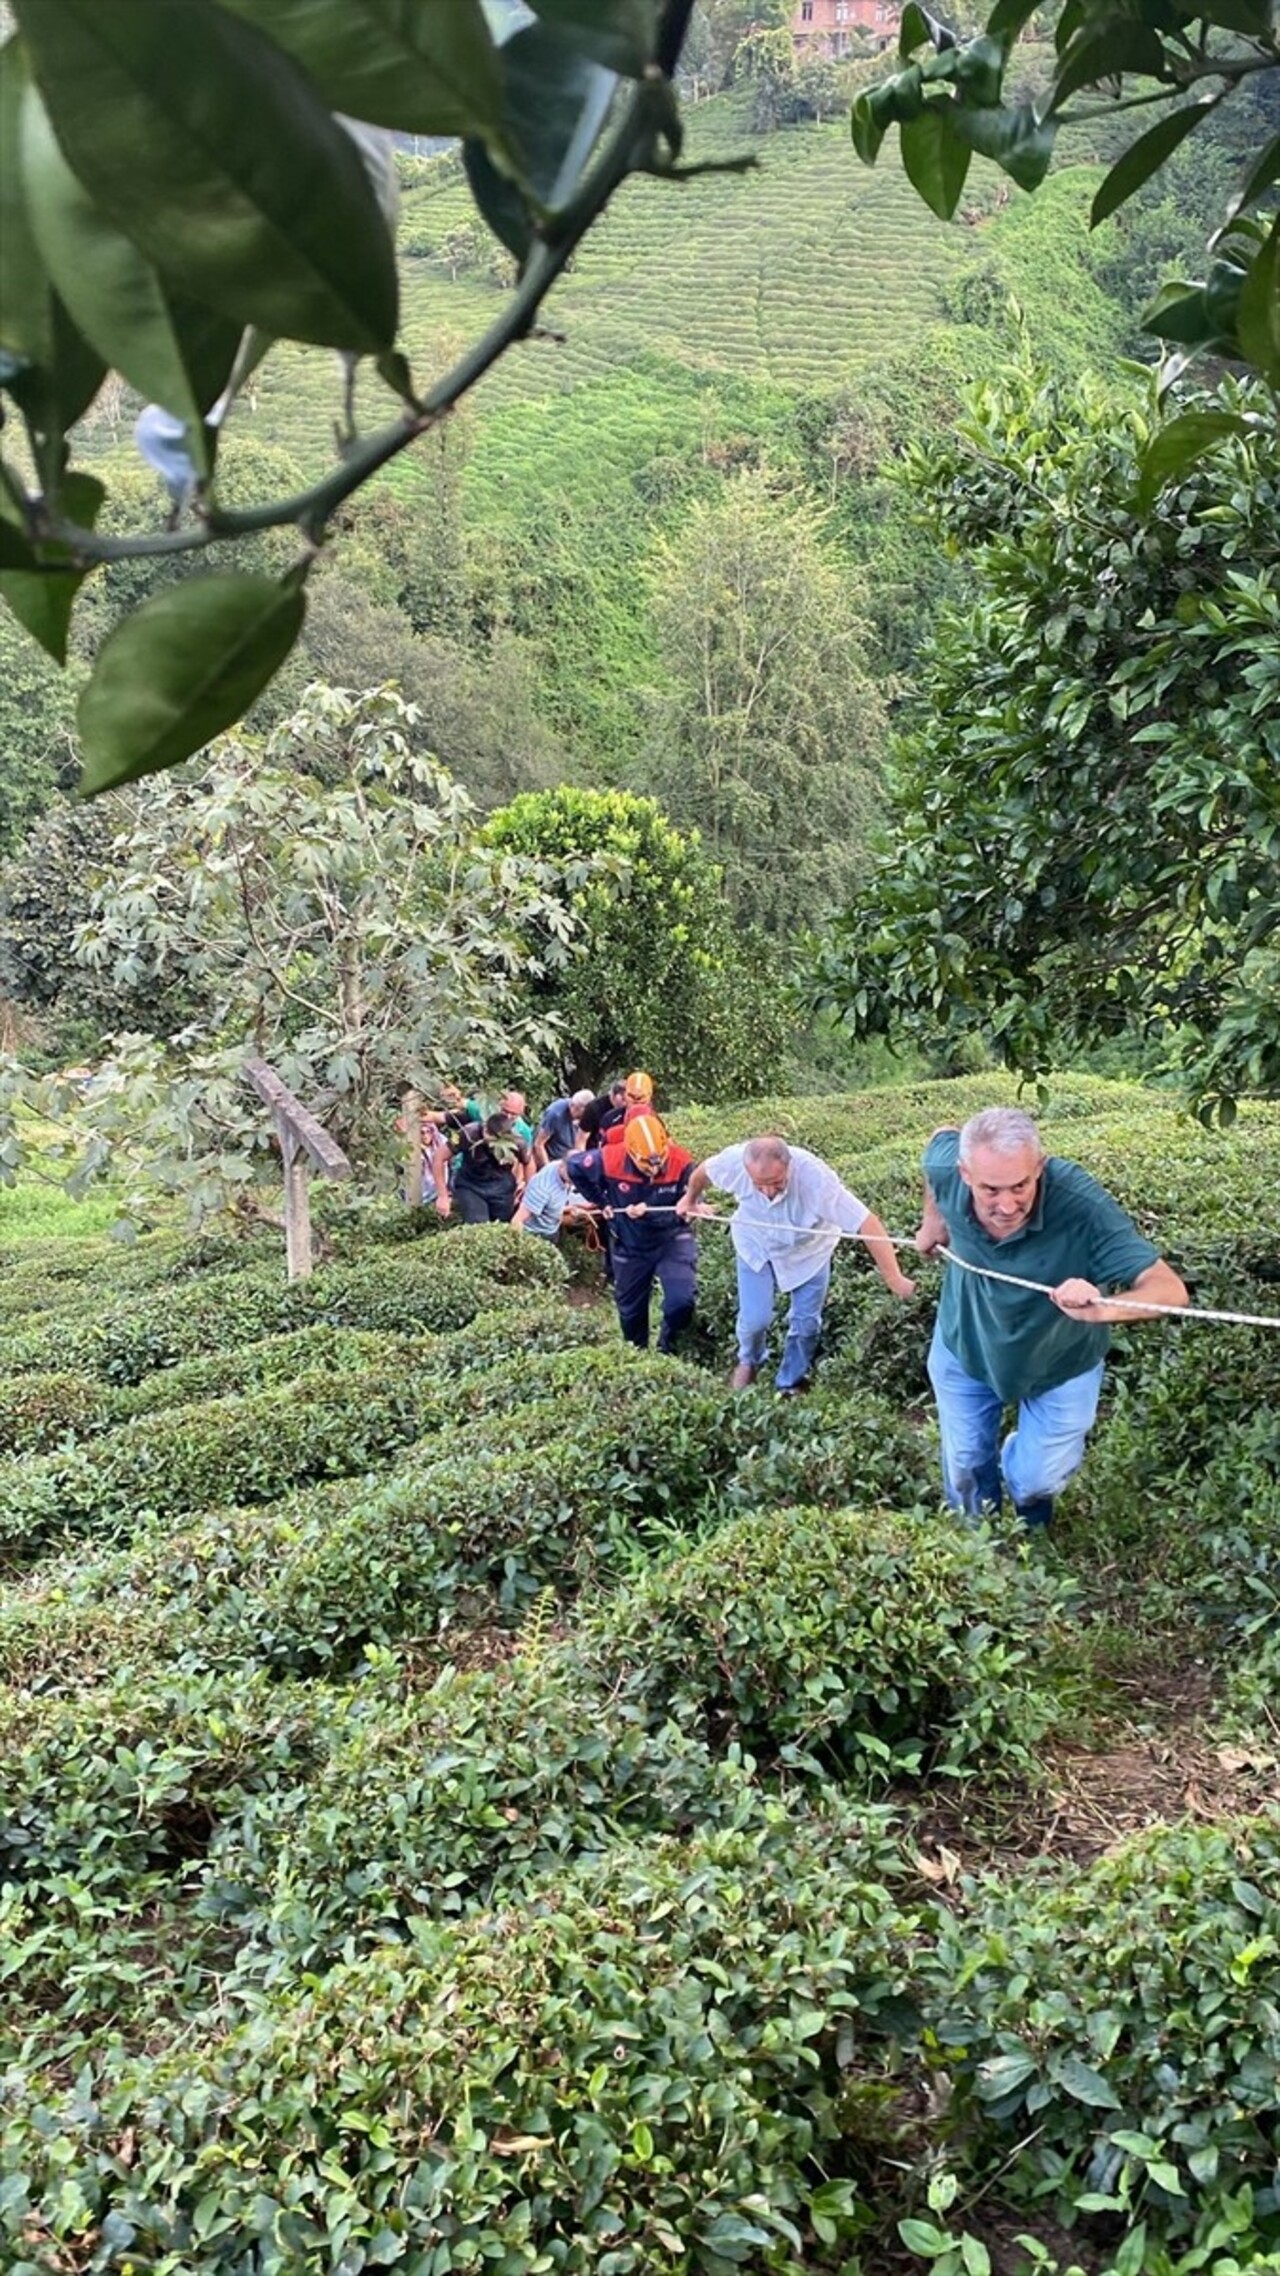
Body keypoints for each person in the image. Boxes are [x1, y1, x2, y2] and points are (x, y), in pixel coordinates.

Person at [916, 1105, 1189, 1529]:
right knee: (965, 1467)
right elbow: (939, 1138)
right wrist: (933, 1220)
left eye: (1021, 1185)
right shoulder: (948, 1171)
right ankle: (976, 1550)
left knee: (1036, 1480)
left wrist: (1103, 1307)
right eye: (990, 1190)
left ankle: (1031, 1529)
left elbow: (1169, 1289)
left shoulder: (1081, 1204)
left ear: (1039, 1167)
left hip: (1061, 1360)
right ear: (965, 1173)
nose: (1007, 1205)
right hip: (965, 1345)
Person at [677, 1135, 915, 1394]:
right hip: (756, 1244)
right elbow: (703, 1172)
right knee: (755, 1319)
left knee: (806, 1323)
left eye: (776, 1183)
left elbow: (867, 1223)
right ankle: (749, 1360)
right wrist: (691, 1199)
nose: (768, 1192)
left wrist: (895, 1279)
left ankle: (790, 1381)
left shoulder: (816, 1180)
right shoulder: (733, 1162)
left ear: (789, 1167)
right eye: (760, 1185)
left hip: (809, 1251)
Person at [567, 1111, 697, 1352]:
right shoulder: (609, 1159)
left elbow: (688, 1208)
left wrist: (651, 1211)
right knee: (630, 1311)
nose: (654, 1170)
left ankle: (667, 1346)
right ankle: (638, 1354)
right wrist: (601, 1201)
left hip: (672, 1239)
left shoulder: (682, 1163)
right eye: (647, 1164)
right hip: (630, 1243)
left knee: (681, 1302)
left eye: (658, 1162)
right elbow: (574, 1167)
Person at [432, 1110, 530, 1226]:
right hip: (471, 1185)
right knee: (478, 1224)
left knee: (502, 1227)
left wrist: (527, 1189)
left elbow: (528, 1162)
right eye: (487, 1133)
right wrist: (442, 1196)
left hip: (501, 1187)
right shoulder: (468, 1133)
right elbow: (439, 1157)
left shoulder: (517, 1141)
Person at [514, 1156, 595, 1244]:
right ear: (562, 1166)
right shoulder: (542, 1189)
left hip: (552, 1227)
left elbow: (550, 1205)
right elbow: (517, 1221)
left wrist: (573, 1208)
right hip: (537, 1235)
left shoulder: (561, 1168)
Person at [533, 1087, 595, 1169]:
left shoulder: (588, 1117)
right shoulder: (555, 1113)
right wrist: (548, 1168)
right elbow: (538, 1144)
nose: (573, 1110)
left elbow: (581, 1144)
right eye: (572, 1106)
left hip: (569, 1160)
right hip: (551, 1159)